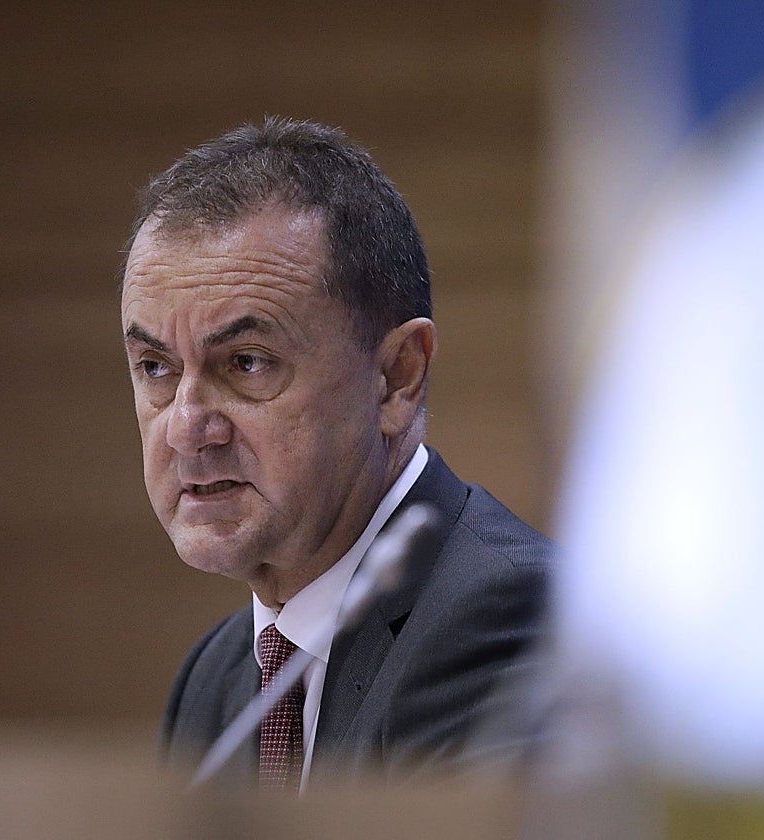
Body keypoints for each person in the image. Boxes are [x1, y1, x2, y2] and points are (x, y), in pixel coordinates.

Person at [120, 117, 552, 791]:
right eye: (154, 367)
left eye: (247, 362)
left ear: (397, 377)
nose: (186, 427)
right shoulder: (214, 678)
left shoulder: (509, 618)